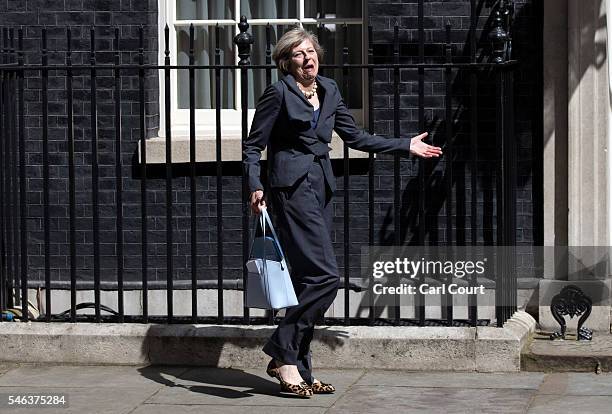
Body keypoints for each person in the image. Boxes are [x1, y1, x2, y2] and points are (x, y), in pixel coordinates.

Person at [243, 27, 442, 398]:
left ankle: (299, 369)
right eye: (299, 54)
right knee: (326, 277)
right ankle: (281, 352)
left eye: (311, 51)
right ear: (287, 62)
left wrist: (405, 146)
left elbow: (356, 138)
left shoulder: (330, 90)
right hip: (289, 190)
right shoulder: (278, 92)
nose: (308, 58)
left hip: (320, 188)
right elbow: (253, 146)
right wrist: (255, 185)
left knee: (308, 280)